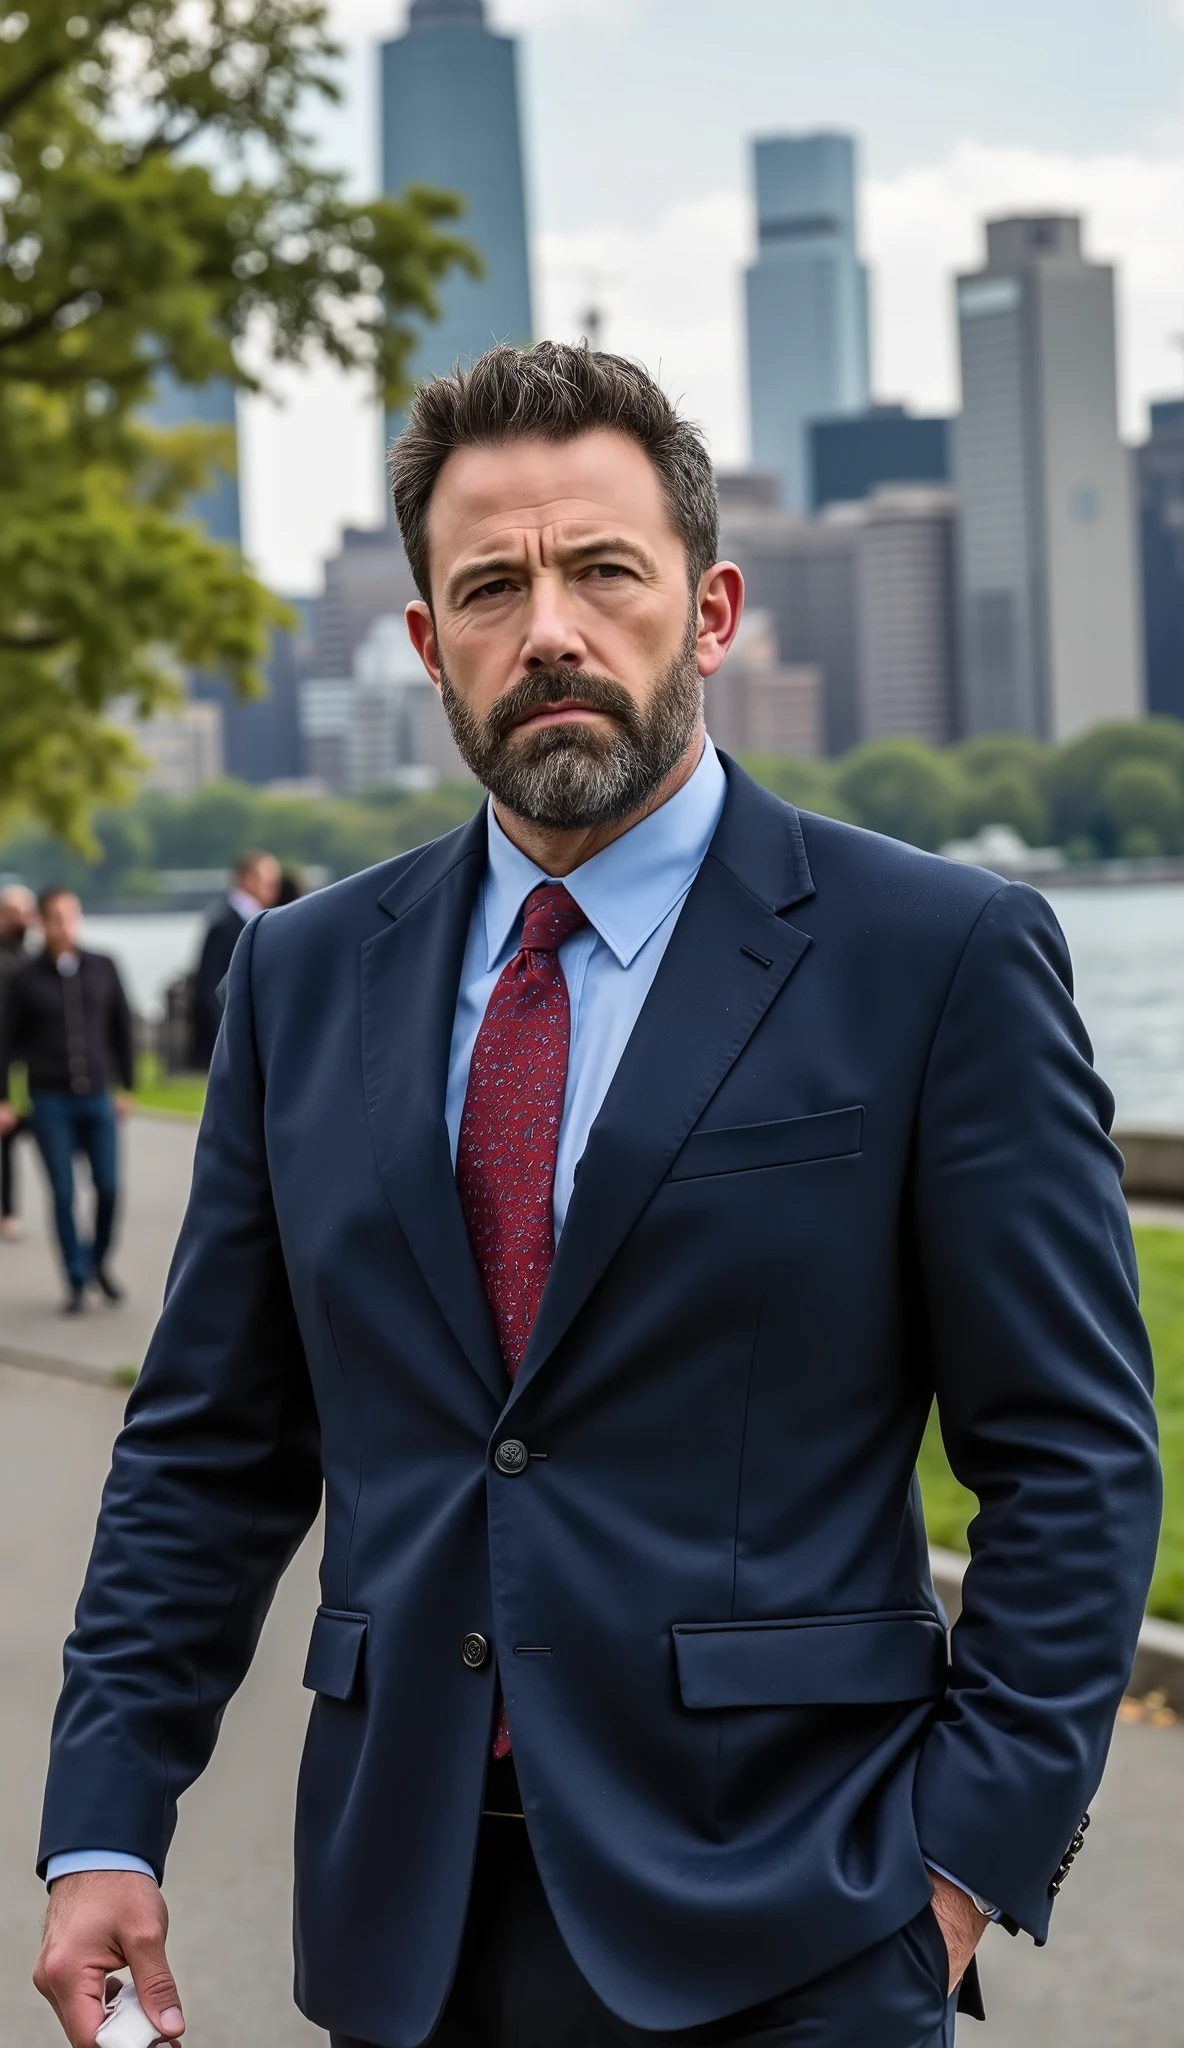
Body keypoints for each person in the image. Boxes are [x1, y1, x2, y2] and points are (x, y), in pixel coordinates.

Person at [34, 345, 1160, 2048]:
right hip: (403, 1935)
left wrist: (953, 1866)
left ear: (705, 611)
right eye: (489, 583)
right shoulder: (303, 975)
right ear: (426, 645)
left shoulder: (934, 959)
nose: (546, 625)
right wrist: (105, 1814)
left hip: (801, 1925)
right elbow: (207, 1444)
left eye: (600, 570)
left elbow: (1071, 1453)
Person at [0, 888, 134, 1312]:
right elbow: (4, 1044)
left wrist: (126, 1085)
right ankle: (75, 1279)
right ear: (41, 922)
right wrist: (4, 1098)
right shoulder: (23, 978)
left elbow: (122, 1029)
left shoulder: (103, 966)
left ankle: (97, 1261)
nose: (63, 924)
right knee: (62, 1192)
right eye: (54, 917)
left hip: (97, 1095)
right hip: (50, 1098)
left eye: (69, 915)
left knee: (109, 1186)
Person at [191, 849, 281, 1067]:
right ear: (249, 880)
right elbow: (209, 984)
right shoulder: (225, 923)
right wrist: (228, 1033)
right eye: (269, 882)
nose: (274, 890)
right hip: (233, 1036)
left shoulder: (252, 919)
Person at [0, 882, 38, 1240]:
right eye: (15, 913)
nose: (23, 919)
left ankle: (8, 1209)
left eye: (27, 912)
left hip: (23, 1067)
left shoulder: (29, 959)